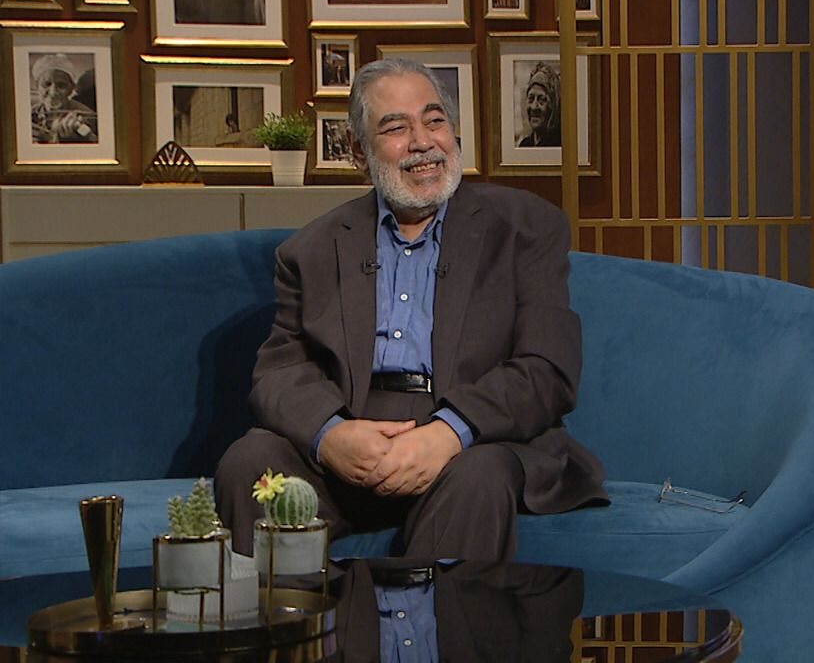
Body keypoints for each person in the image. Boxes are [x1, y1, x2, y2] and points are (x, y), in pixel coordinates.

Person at [215, 57, 607, 569]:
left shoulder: (525, 228)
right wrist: (330, 435)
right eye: (396, 128)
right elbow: (279, 371)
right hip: (352, 446)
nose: (423, 142)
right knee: (249, 461)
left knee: (479, 477)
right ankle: (294, 621)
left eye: (434, 120)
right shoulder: (312, 250)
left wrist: (447, 432)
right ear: (359, 150)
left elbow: (547, 368)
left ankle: (437, 621)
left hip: (470, 446)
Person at [30, 54, 97, 144]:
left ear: (71, 88)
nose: (53, 93)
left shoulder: (85, 116)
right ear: (37, 86)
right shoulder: (31, 114)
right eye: (46, 84)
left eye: (61, 85)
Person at [517, 62, 561, 148]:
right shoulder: (525, 145)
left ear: (553, 106)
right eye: (531, 98)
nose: (534, 107)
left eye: (542, 100)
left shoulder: (559, 145)